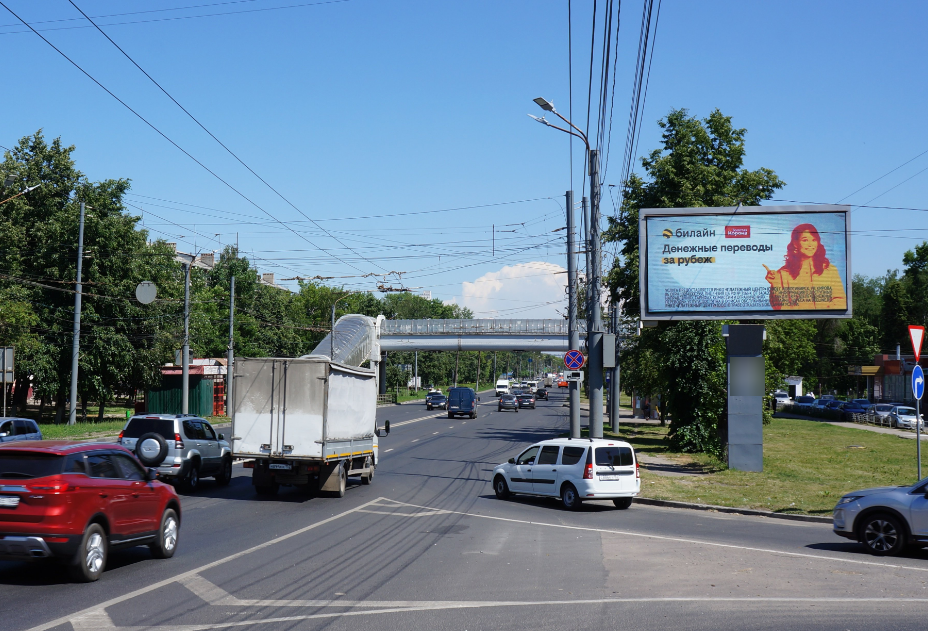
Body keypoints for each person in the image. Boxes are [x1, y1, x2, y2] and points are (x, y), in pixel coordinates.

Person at [764, 223, 846, 310]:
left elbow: (840, 301)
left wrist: (822, 311)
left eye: (814, 240)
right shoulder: (783, 273)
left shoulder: (830, 270)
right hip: (794, 322)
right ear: (795, 243)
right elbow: (778, 307)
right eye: (805, 240)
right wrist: (775, 284)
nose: (810, 244)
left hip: (821, 321)